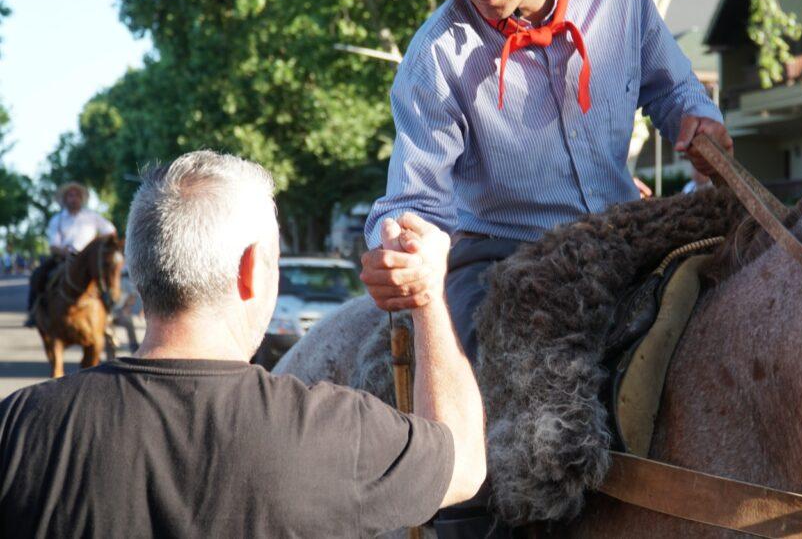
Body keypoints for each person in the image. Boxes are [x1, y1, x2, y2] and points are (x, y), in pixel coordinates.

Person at [360, 0, 732, 534]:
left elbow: (672, 90)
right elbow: (416, 202)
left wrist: (698, 121)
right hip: (501, 259)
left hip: (627, 237)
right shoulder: (436, 56)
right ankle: (469, 519)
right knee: (488, 413)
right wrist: (399, 245)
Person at [0, 151, 486, 538]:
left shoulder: (19, 426)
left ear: (141, 271)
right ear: (251, 270)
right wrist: (428, 297)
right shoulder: (336, 432)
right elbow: (464, 467)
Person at [25, 182, 116, 325]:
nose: (74, 198)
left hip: (88, 260)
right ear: (65, 199)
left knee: (106, 277)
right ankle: (34, 313)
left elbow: (111, 232)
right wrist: (64, 251)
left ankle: (110, 313)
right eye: (70, 195)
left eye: (76, 195)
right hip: (63, 258)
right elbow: (53, 245)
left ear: (82, 198)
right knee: (38, 274)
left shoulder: (92, 216)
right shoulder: (57, 219)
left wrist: (94, 247)